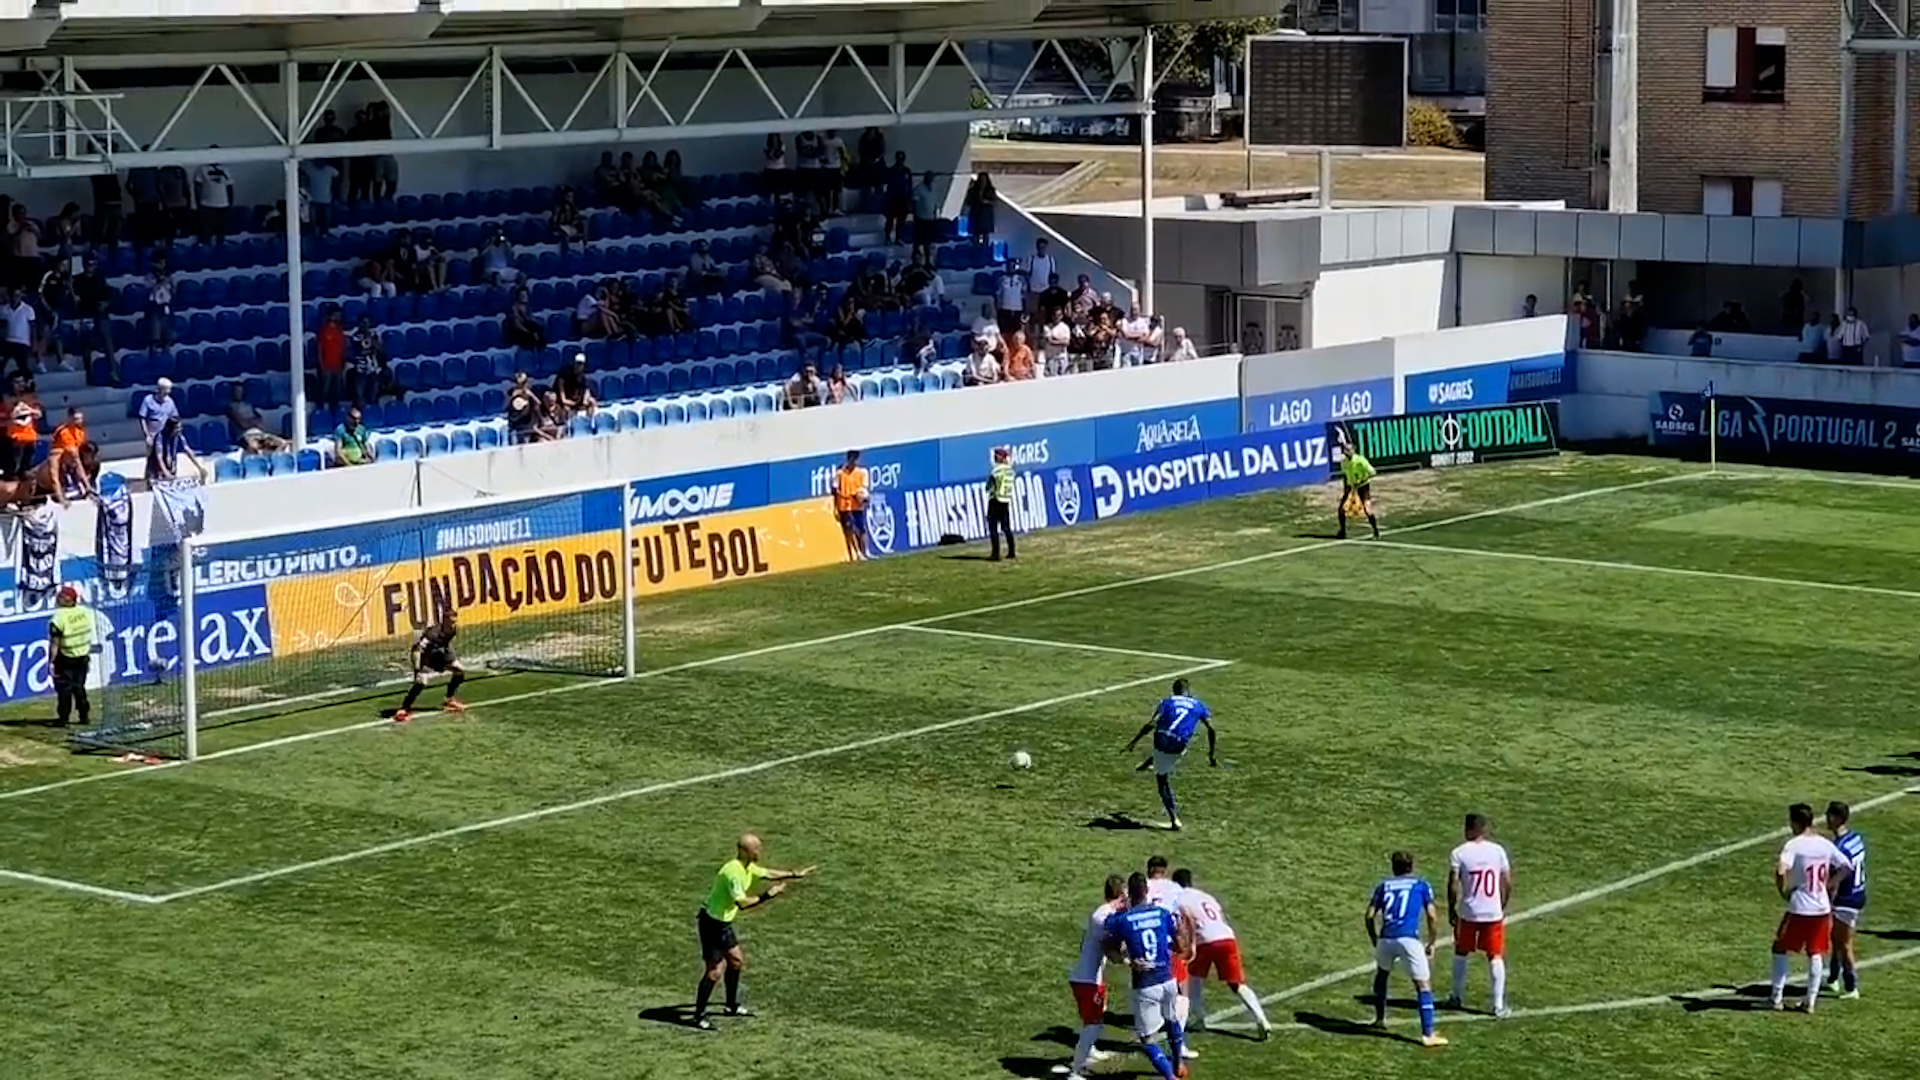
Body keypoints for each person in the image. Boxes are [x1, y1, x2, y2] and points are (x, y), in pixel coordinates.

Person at [693, 834, 817, 1031]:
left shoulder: (748, 866)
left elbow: (767, 873)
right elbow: (742, 903)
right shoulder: (732, 872)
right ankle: (698, 1015)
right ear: (744, 851)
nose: (759, 852)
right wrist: (769, 895)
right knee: (715, 972)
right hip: (712, 924)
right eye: (755, 849)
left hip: (723, 923)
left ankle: (731, 1006)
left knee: (736, 962)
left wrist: (794, 874)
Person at [1102, 872, 1189, 1080]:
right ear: (1147, 891)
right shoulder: (1162, 913)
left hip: (1145, 983)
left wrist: (1128, 961)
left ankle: (1171, 1077)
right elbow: (1179, 945)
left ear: (1129, 893)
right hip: (1168, 978)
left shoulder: (1122, 920)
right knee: (1171, 1021)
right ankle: (1179, 1063)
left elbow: (1109, 948)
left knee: (1147, 1039)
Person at [1173, 868, 1271, 1038]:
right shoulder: (1207, 897)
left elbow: (1183, 925)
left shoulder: (1179, 899)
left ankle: (1199, 1018)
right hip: (1227, 938)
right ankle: (1262, 1018)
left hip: (1205, 940)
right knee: (1237, 983)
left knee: (1192, 980)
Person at [1770, 802, 1849, 1012]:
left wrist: (1783, 891)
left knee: (1780, 948)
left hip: (1800, 907)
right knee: (1815, 952)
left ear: (1795, 822)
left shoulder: (1794, 845)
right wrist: (1829, 884)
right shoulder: (1824, 844)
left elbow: (1780, 871)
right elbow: (1845, 866)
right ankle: (1810, 1001)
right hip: (1821, 908)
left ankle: (1776, 997)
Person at [1366, 851, 1449, 1046]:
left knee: (1382, 975)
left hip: (1386, 938)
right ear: (1411, 866)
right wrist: (1432, 941)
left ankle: (1379, 1019)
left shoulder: (1383, 886)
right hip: (1408, 939)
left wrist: (1374, 938)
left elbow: (1369, 915)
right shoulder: (1421, 885)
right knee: (1423, 984)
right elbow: (1432, 916)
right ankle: (1428, 1034)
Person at [1124, 679, 1218, 832]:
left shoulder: (1166, 702)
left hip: (1161, 740)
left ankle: (1174, 818)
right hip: (1178, 744)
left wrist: (1133, 742)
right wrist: (1211, 754)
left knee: (1162, 780)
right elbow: (1212, 729)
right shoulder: (1198, 705)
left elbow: (1151, 724)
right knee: (1176, 749)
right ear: (1188, 691)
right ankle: (1151, 762)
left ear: (1174, 691)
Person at [1445, 812, 1513, 1017]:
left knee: (1461, 953)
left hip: (1469, 912)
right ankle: (1498, 1005)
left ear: (1469, 829)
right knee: (1495, 956)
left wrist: (1451, 908)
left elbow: (1453, 884)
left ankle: (1456, 996)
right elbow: (1507, 881)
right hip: (1492, 912)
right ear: (1484, 829)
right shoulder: (1497, 851)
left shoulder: (1459, 853)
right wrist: (1502, 905)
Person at [1064, 874, 1127, 1080]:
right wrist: (1129, 960)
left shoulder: (1105, 913)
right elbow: (1112, 951)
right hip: (1086, 980)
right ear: (1120, 894)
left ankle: (1089, 1051)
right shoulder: (1104, 917)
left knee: (1098, 1017)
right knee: (1093, 1024)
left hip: (1091, 977)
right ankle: (1076, 1070)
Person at [391, 608, 466, 724]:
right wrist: (417, 669)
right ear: (444, 621)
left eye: (454, 622)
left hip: (440, 654)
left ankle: (449, 699)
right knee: (422, 682)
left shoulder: (453, 630)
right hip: (425, 656)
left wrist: (448, 659)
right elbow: (417, 650)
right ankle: (403, 709)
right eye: (451, 622)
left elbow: (446, 644)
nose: (453, 625)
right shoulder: (432, 634)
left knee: (460, 671)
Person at [1825, 800, 1867, 999]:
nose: (1826, 819)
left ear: (1837, 818)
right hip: (1858, 893)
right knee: (1836, 938)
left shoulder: (1838, 847)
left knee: (1844, 944)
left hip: (1846, 899)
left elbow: (1838, 878)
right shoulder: (1855, 838)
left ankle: (1851, 986)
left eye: (1829, 816)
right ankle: (1832, 978)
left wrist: (1828, 900)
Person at [46, 585, 94, 728]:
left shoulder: (58, 618)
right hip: (83, 655)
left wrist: (51, 662)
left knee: (64, 689)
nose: (57, 598)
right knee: (79, 688)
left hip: (66, 657)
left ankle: (63, 718)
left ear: (65, 600)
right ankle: (84, 716)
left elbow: (55, 644)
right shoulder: (85, 612)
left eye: (60, 596)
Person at [1334, 425, 1378, 540]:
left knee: (1367, 509)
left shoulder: (1360, 460)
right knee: (1341, 509)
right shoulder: (1344, 463)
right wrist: (1347, 490)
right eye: (1346, 450)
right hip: (1351, 486)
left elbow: (1373, 472)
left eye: (1350, 449)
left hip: (1363, 486)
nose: (1348, 451)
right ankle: (1342, 531)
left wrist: (1362, 481)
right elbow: (1345, 475)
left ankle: (1375, 531)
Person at [832, 449, 870, 561]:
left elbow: (864, 488)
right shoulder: (840, 473)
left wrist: (862, 496)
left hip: (857, 505)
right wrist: (836, 506)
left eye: (856, 459)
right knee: (850, 529)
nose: (854, 461)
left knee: (861, 529)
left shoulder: (861, 472)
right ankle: (855, 553)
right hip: (844, 506)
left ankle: (864, 552)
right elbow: (834, 490)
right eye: (852, 459)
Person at [984, 444, 1016, 561]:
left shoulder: (996, 470)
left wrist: (988, 488)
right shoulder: (1010, 471)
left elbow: (990, 486)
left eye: (996, 456)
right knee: (1006, 527)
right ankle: (1011, 551)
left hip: (996, 499)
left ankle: (996, 554)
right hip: (1006, 500)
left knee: (993, 527)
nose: (994, 458)